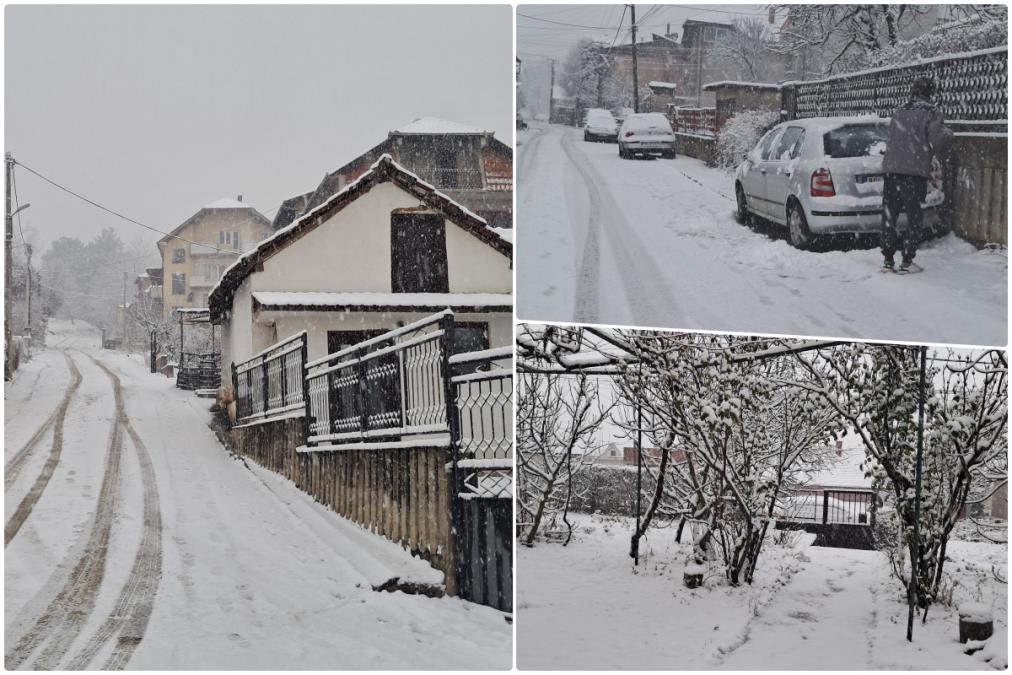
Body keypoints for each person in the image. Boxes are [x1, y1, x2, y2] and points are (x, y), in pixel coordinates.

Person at [880, 76, 953, 273]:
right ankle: (906, 260)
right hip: (913, 173)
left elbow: (895, 137)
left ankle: (887, 259)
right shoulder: (931, 113)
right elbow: (937, 141)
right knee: (914, 217)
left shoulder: (900, 111)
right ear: (931, 93)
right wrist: (948, 132)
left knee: (889, 215)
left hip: (891, 170)